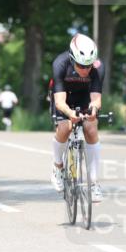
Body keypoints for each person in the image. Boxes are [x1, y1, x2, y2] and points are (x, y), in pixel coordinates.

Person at [49, 33, 105, 202]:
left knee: (90, 128)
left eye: (89, 66)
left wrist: (93, 109)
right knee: (65, 127)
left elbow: (96, 98)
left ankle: (94, 183)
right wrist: (70, 114)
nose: (86, 70)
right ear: (73, 59)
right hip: (64, 96)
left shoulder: (98, 66)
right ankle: (58, 167)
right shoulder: (60, 63)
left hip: (84, 96)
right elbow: (59, 101)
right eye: (81, 65)